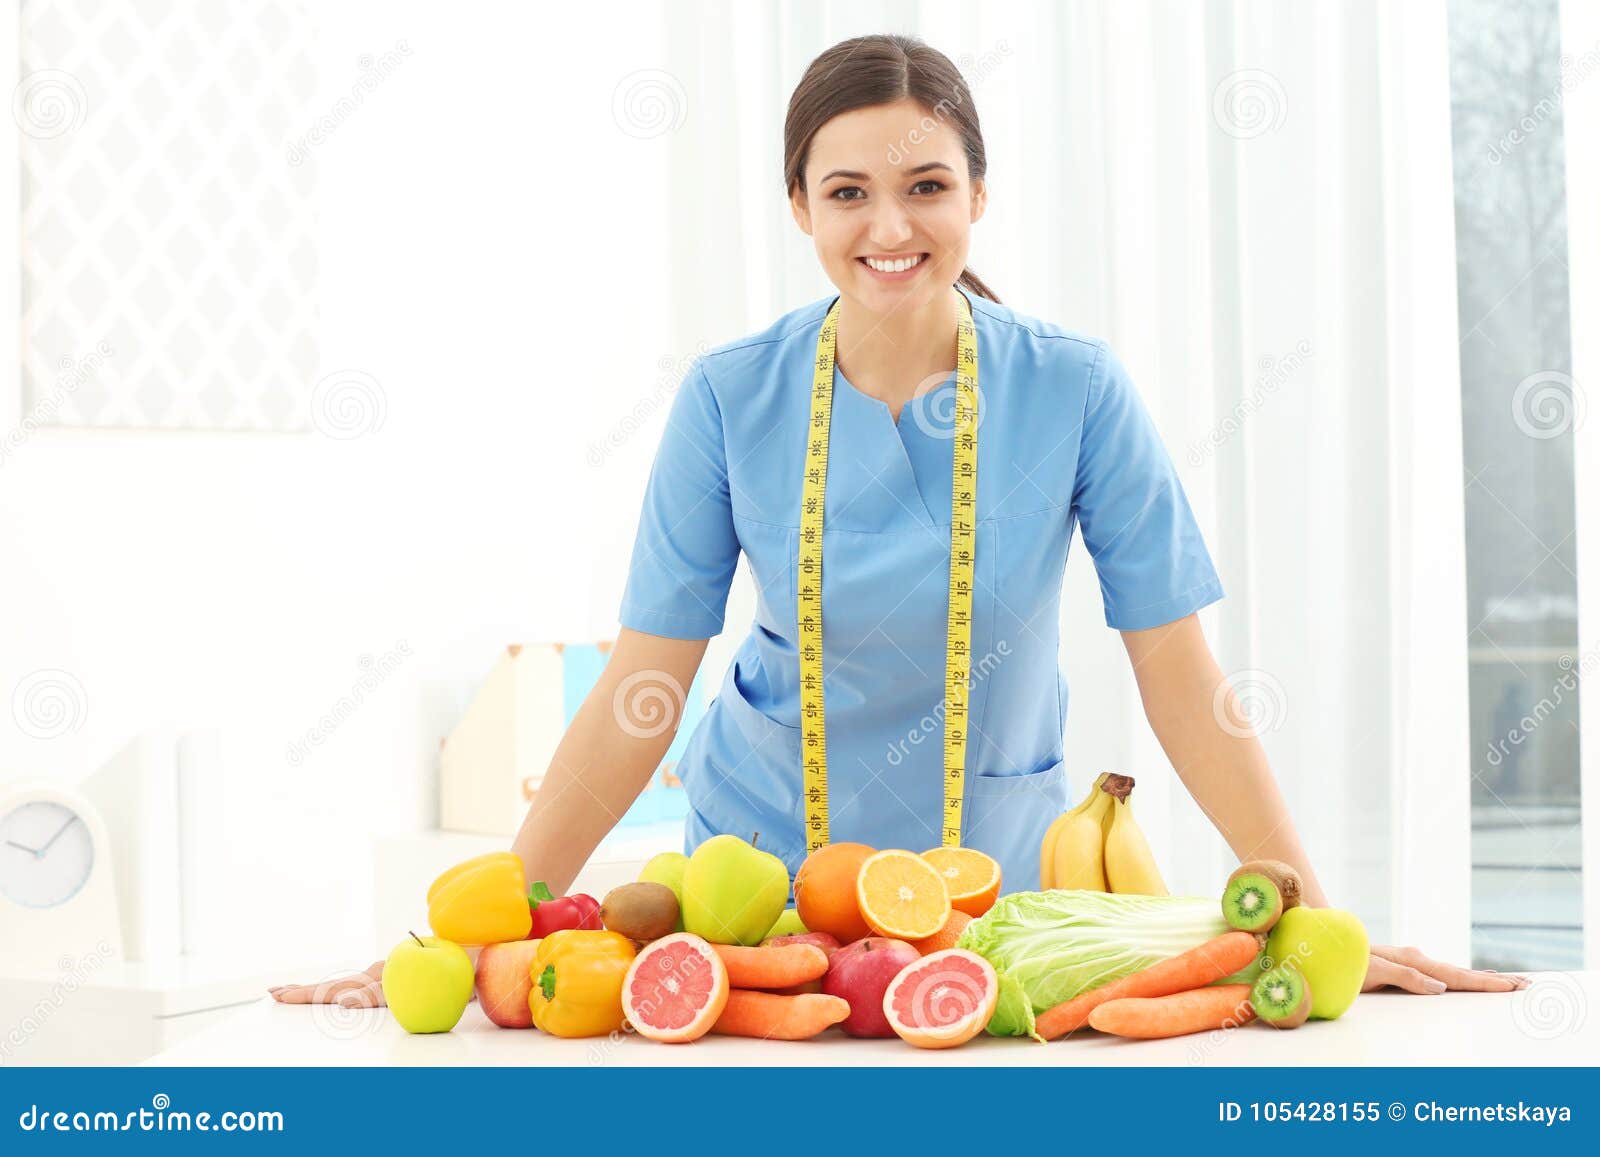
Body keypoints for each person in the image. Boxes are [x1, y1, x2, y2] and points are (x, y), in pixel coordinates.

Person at [273, 34, 1525, 1010]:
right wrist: (468, 933)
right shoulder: (727, 397)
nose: (889, 226)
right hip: (754, 883)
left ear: (979, 193)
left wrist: (1310, 918)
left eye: (927, 185)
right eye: (848, 191)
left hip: (995, 887)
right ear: (800, 207)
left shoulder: (1076, 390)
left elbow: (1183, 676)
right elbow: (642, 686)